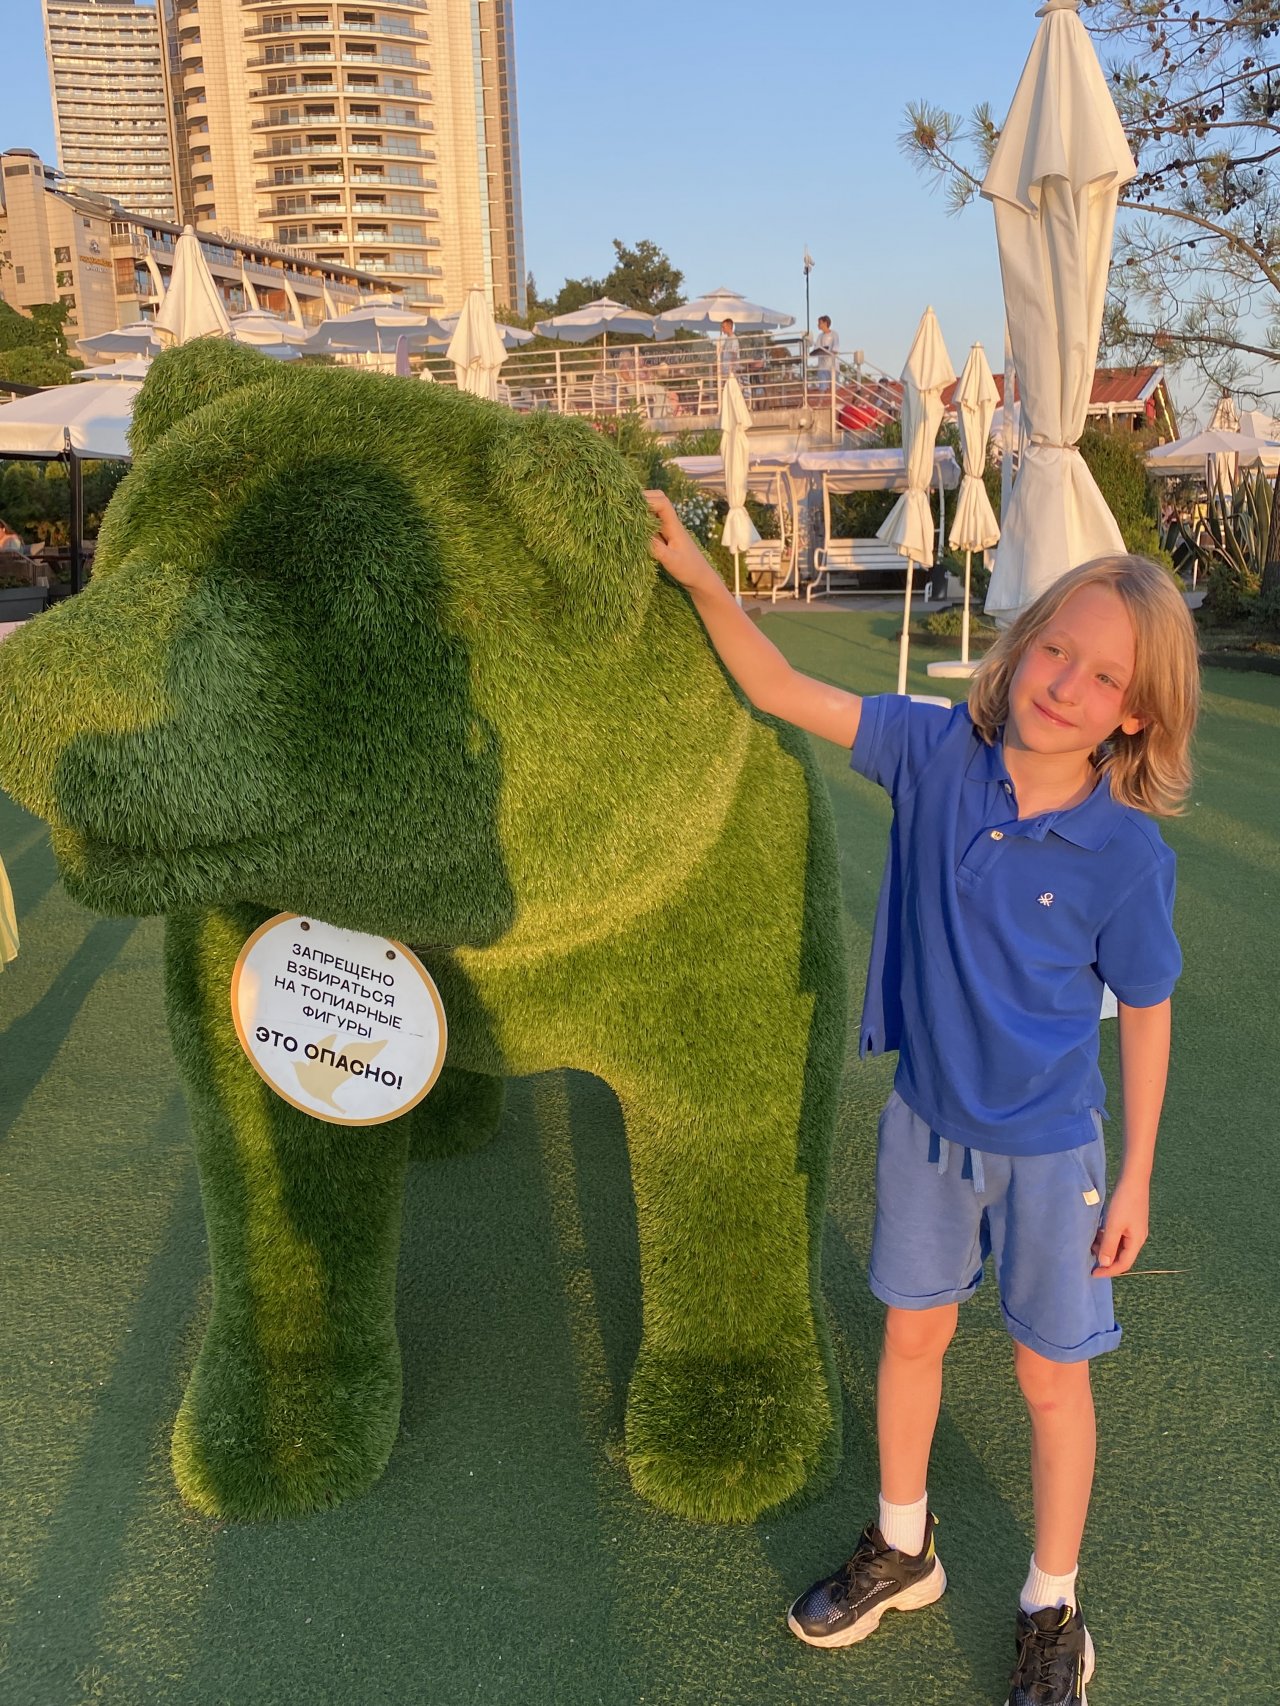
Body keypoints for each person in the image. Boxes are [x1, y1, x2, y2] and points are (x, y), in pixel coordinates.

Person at [643, 489, 1199, 1706]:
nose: (1064, 683)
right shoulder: (932, 749)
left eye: (1103, 676)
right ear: (1022, 642)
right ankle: (904, 1544)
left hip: (1051, 1152)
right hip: (925, 1128)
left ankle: (1051, 1602)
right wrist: (698, 578)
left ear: (1134, 713)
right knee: (910, 1333)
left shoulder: (1125, 853)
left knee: (1049, 1376)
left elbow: (1147, 1008)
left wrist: (1136, 1177)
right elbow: (780, 686)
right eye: (1055, 648)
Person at [810, 314, 840, 390]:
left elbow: (835, 349)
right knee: (822, 388)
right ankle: (822, 398)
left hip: (832, 366)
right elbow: (816, 349)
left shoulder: (834, 334)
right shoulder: (820, 336)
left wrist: (827, 352)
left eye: (820, 323)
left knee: (833, 388)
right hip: (822, 366)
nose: (818, 325)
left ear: (825, 323)